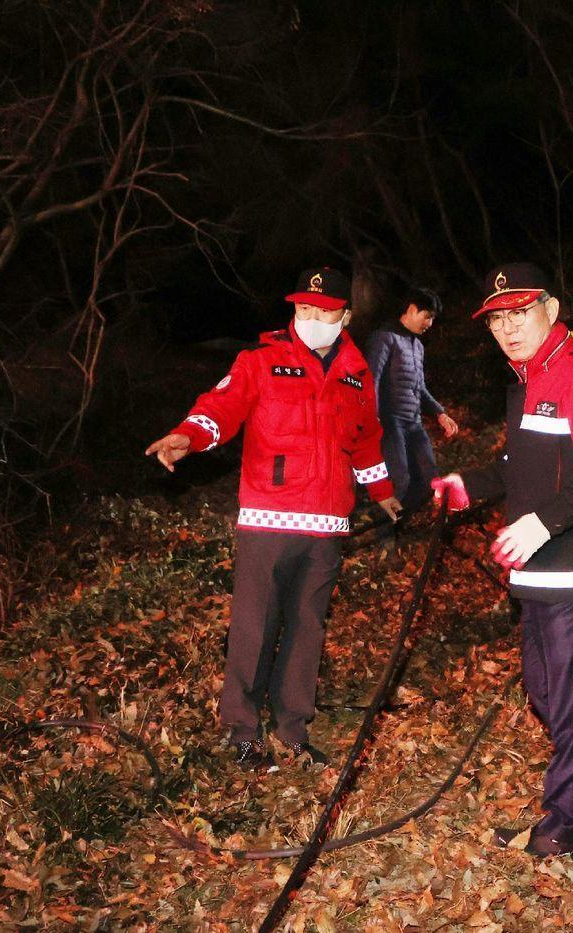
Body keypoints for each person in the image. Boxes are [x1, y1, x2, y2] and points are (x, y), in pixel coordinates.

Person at [145, 267, 401, 771]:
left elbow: (366, 437)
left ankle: (293, 729)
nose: (310, 318)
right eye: (303, 308)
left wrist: (383, 491)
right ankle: (243, 730)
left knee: (307, 629)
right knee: (254, 627)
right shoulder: (261, 360)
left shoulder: (357, 372)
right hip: (269, 517)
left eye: (323, 311)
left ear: (344, 315)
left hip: (326, 526)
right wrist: (188, 437)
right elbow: (221, 406)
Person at [432, 263, 573, 858]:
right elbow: (517, 464)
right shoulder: (528, 381)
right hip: (537, 569)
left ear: (550, 308)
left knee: (567, 702)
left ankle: (568, 823)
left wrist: (543, 521)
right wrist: (468, 482)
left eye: (518, 313)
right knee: (547, 695)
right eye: (497, 319)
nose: (507, 328)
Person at [364, 288, 458, 546]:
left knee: (429, 479)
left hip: (413, 421)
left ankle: (391, 518)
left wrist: (439, 413)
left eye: (432, 319)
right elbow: (371, 378)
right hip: (389, 419)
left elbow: (420, 387)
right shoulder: (384, 338)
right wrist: (372, 418)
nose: (430, 324)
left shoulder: (416, 345)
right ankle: (384, 537)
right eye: (427, 316)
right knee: (400, 478)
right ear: (412, 309)